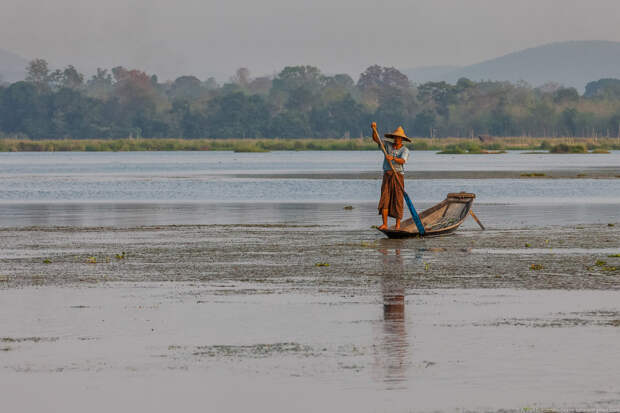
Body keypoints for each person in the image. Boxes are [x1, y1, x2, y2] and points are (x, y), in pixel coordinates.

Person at [371, 122, 411, 230]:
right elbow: (376, 139)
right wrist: (374, 129)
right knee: (385, 199)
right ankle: (385, 224)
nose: (396, 139)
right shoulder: (387, 145)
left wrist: (392, 158)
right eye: (395, 137)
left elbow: (402, 161)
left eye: (399, 138)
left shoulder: (405, 150)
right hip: (387, 175)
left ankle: (398, 225)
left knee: (398, 199)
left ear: (402, 139)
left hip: (398, 175)